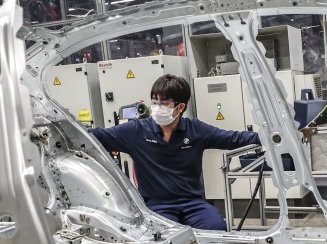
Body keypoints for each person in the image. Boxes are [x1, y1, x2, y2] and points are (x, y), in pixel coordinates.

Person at [89, 74, 259, 230]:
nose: (157, 107)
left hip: (193, 203)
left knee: (216, 227)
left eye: (164, 103)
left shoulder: (196, 130)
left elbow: (233, 138)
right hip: (156, 205)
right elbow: (96, 136)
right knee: (164, 235)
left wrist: (269, 137)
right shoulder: (136, 131)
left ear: (180, 107)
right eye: (154, 102)